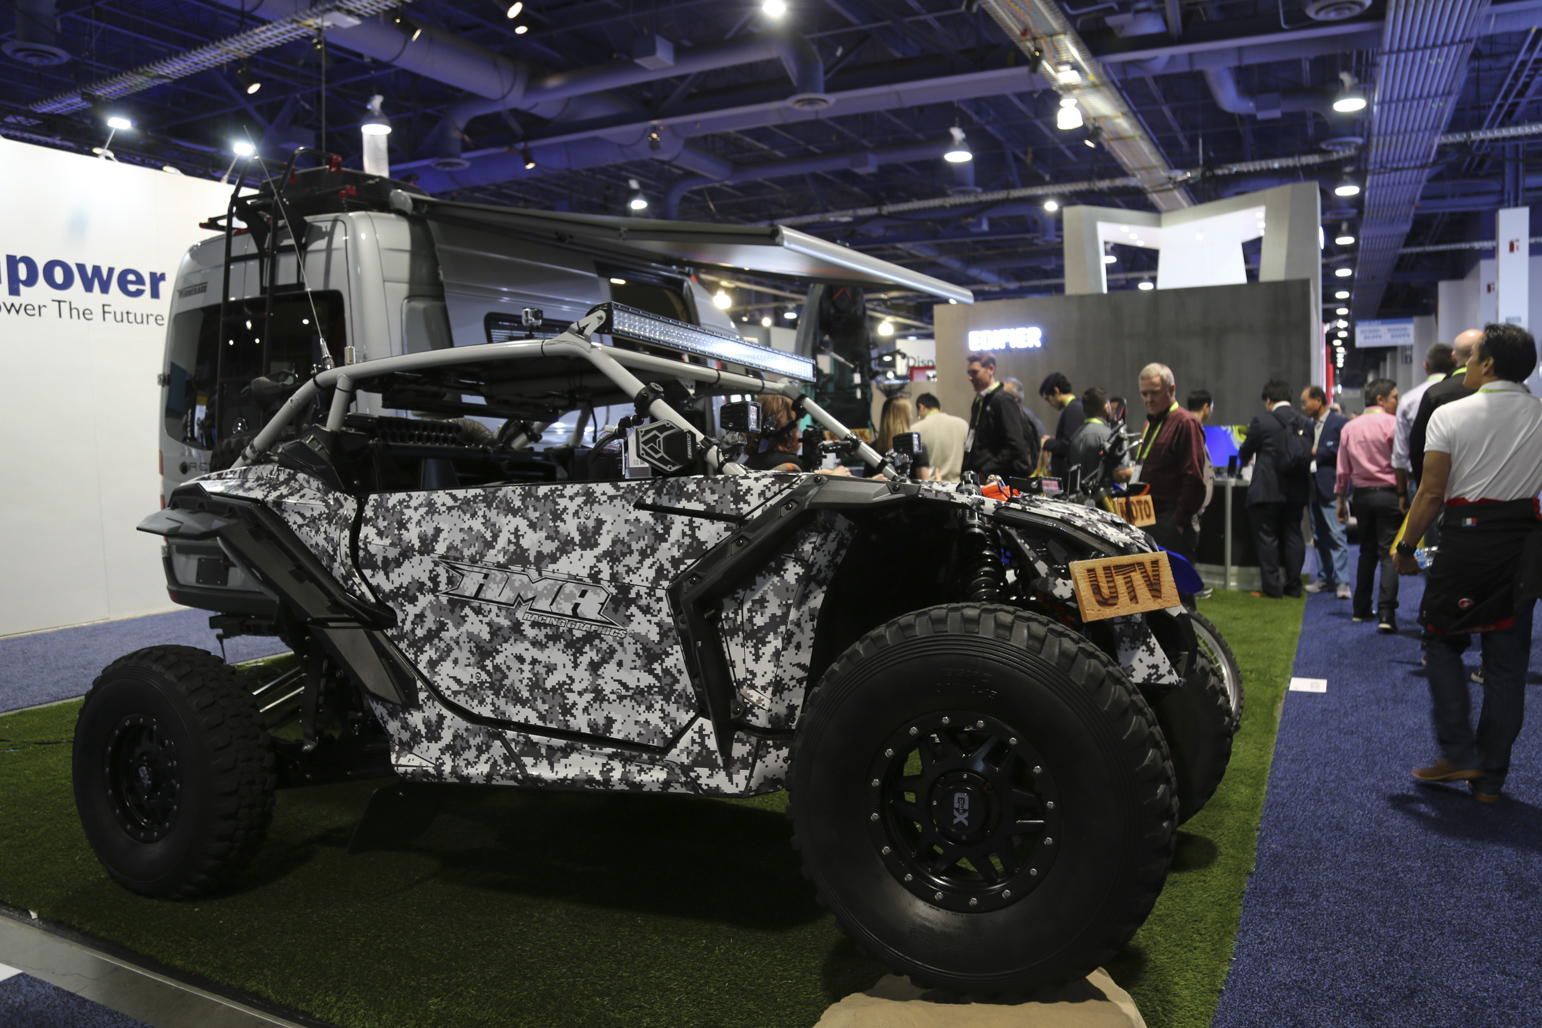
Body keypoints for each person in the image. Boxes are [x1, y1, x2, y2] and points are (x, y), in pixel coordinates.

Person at [1395, 324, 1542, 803]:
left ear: (1489, 364)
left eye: (1473, 357)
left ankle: (1459, 751)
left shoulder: (1450, 412)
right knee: (1507, 664)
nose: (1468, 366)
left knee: (1440, 642)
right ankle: (1491, 779)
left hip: (1467, 538)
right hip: (1524, 544)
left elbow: (1432, 493)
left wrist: (1405, 547)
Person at [1335, 378, 1401, 632]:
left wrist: (1341, 501)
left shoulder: (1350, 428)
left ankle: (1360, 609)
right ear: (1381, 400)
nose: (1398, 401)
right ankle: (1386, 615)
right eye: (1394, 397)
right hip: (1390, 495)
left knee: (1367, 552)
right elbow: (1402, 463)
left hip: (1361, 496)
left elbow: (1343, 471)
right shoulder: (1393, 424)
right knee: (1388, 554)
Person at [1237, 379, 1311, 599]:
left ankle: (1272, 588)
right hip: (1297, 491)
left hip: (1266, 490)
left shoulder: (1263, 421)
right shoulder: (1305, 422)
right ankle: (1294, 586)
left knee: (1266, 537)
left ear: (1268, 400)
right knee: (1293, 534)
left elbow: (1245, 451)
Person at [1130, 363, 1209, 562]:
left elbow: (1194, 478)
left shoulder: (1186, 422)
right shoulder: (1149, 423)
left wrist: (1178, 523)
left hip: (1170, 517)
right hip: (1146, 514)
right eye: (1144, 393)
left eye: (1154, 393)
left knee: (1175, 588)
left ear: (1171, 390)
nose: (1148, 399)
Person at [1409, 328, 1485, 509]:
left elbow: (1418, 449)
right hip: (1499, 497)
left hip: (1445, 495)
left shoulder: (1435, 394)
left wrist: (1427, 490)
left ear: (1454, 357)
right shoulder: (1509, 393)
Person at [1392, 342, 1457, 513]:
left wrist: (1401, 493)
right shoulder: (1466, 392)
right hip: (1460, 479)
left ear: (1425, 367)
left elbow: (1400, 452)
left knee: (1427, 536)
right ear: (1455, 364)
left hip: (1420, 480)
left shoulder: (1408, 399)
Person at [1300, 385, 1350, 599]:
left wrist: (1316, 451)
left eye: (1305, 402)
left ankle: (1343, 582)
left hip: (1331, 487)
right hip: (1312, 487)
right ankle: (1324, 578)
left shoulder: (1340, 423)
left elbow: (1343, 450)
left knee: (1336, 535)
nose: (1303, 407)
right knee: (1319, 536)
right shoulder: (1308, 425)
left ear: (1318, 401)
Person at [962, 353, 1034, 482]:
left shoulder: (1003, 400)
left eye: (974, 372)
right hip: (980, 481)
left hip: (997, 483)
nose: (970, 377)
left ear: (991, 369)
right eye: (969, 373)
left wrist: (986, 472)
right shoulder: (979, 401)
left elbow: (1015, 446)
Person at [1038, 373, 1085, 480]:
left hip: (1070, 480)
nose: (1049, 404)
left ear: (1056, 391)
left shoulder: (1073, 409)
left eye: (1048, 398)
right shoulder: (1077, 406)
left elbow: (1068, 444)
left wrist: (1047, 443)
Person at [913, 393, 968, 482]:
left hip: (931, 487)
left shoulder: (916, 429)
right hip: (958, 485)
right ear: (940, 408)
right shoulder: (962, 424)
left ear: (921, 407)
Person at [876, 395, 932, 480]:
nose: (911, 417)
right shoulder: (917, 447)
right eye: (909, 413)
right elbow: (925, 484)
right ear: (903, 418)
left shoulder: (871, 450)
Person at [1067, 387, 1113, 488]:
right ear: (1106, 408)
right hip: (1105, 499)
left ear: (1084, 410)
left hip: (1078, 499)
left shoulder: (1074, 436)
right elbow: (1122, 474)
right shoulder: (1110, 435)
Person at [1001, 378, 1046, 471]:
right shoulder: (1028, 415)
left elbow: (1040, 444)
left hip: (1023, 472)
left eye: (1005, 395)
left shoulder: (1024, 416)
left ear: (1016, 398)